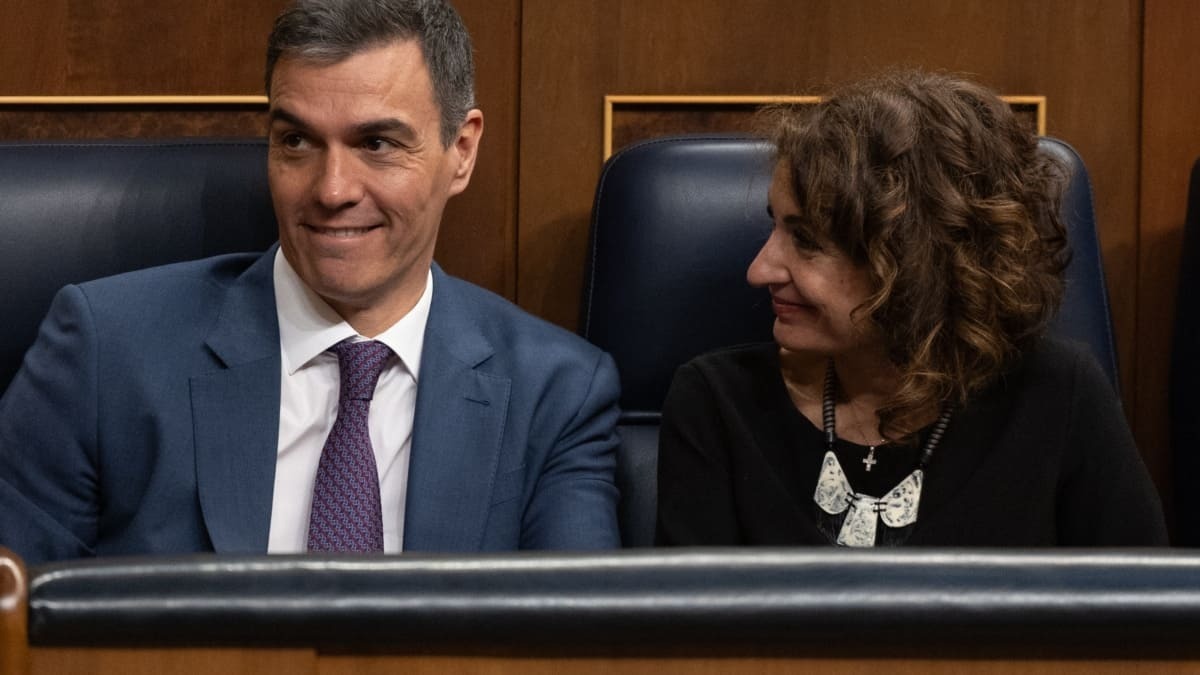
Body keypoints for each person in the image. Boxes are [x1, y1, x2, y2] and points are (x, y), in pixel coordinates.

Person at [0, 0, 621, 564]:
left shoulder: (556, 393)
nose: (331, 191)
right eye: (296, 141)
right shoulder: (106, 351)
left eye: (376, 143)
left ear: (461, 150)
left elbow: (579, 647)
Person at [656, 70, 1167, 547]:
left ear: (917, 260)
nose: (759, 269)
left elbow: (1146, 623)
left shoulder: (1059, 394)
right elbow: (686, 638)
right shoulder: (717, 403)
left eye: (806, 240)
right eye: (776, 227)